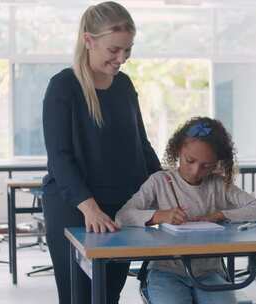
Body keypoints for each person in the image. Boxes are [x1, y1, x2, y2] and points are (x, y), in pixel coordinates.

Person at [41, 2, 161, 303]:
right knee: (79, 297)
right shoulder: (63, 87)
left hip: (120, 207)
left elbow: (140, 145)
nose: (121, 58)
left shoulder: (123, 85)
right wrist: (89, 208)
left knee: (108, 296)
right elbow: (59, 157)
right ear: (89, 40)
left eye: (128, 50)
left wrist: (168, 186)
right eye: (114, 50)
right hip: (76, 207)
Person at [115, 116, 256, 304]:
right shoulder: (159, 181)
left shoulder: (218, 185)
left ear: (217, 163)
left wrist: (219, 215)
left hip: (209, 272)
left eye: (206, 166)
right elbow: (122, 216)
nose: (196, 171)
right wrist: (159, 216)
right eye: (190, 161)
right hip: (166, 272)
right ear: (178, 150)